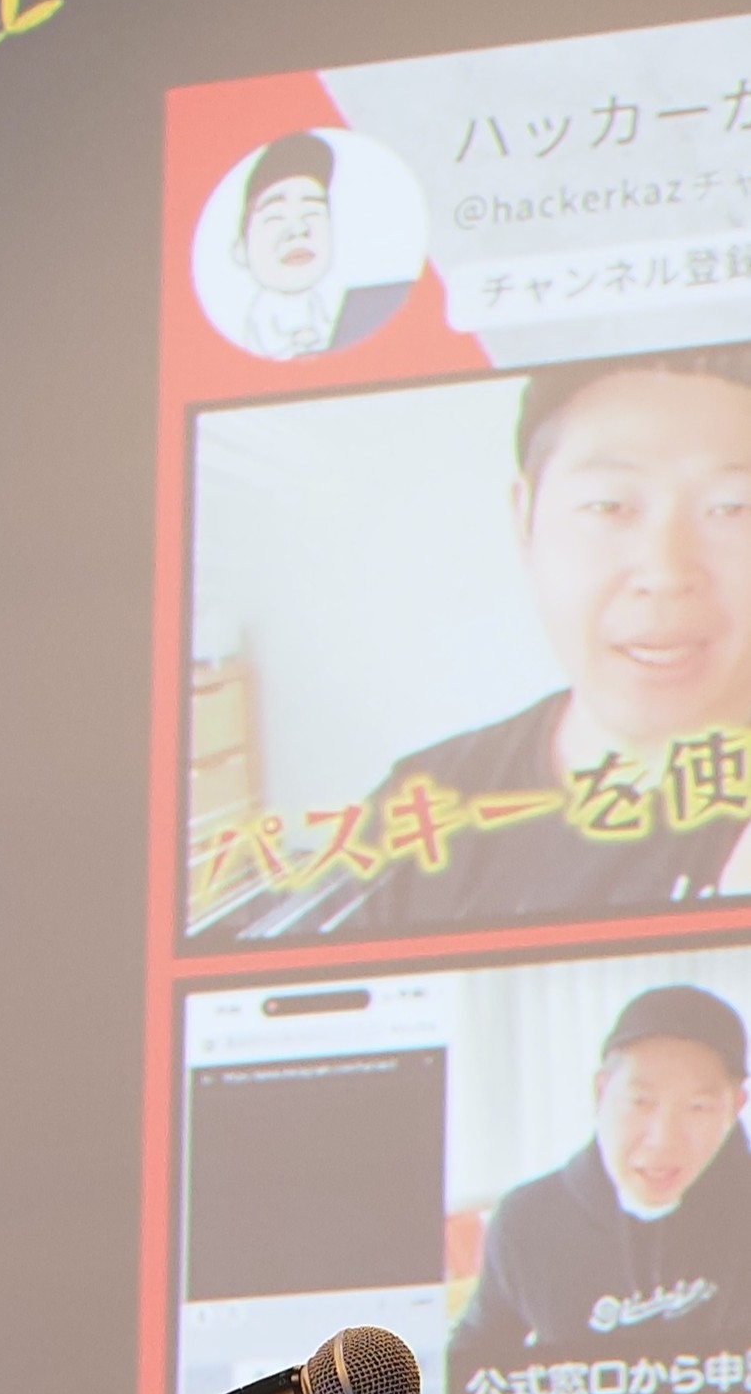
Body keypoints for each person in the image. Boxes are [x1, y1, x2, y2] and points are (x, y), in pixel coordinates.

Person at [335, 346, 751, 936]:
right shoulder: (422, 810)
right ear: (524, 520)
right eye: (608, 506)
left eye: (732, 509)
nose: (665, 571)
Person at [448, 980, 751, 1377]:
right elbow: (476, 1354)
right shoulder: (529, 1221)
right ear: (601, 1091)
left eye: (698, 1108)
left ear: (735, 1108)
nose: (663, 1140)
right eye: (641, 1102)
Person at [214, 128, 409, 364]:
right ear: (240, 250)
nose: (299, 230)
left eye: (312, 212)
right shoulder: (260, 329)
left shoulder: (337, 314)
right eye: (275, 217)